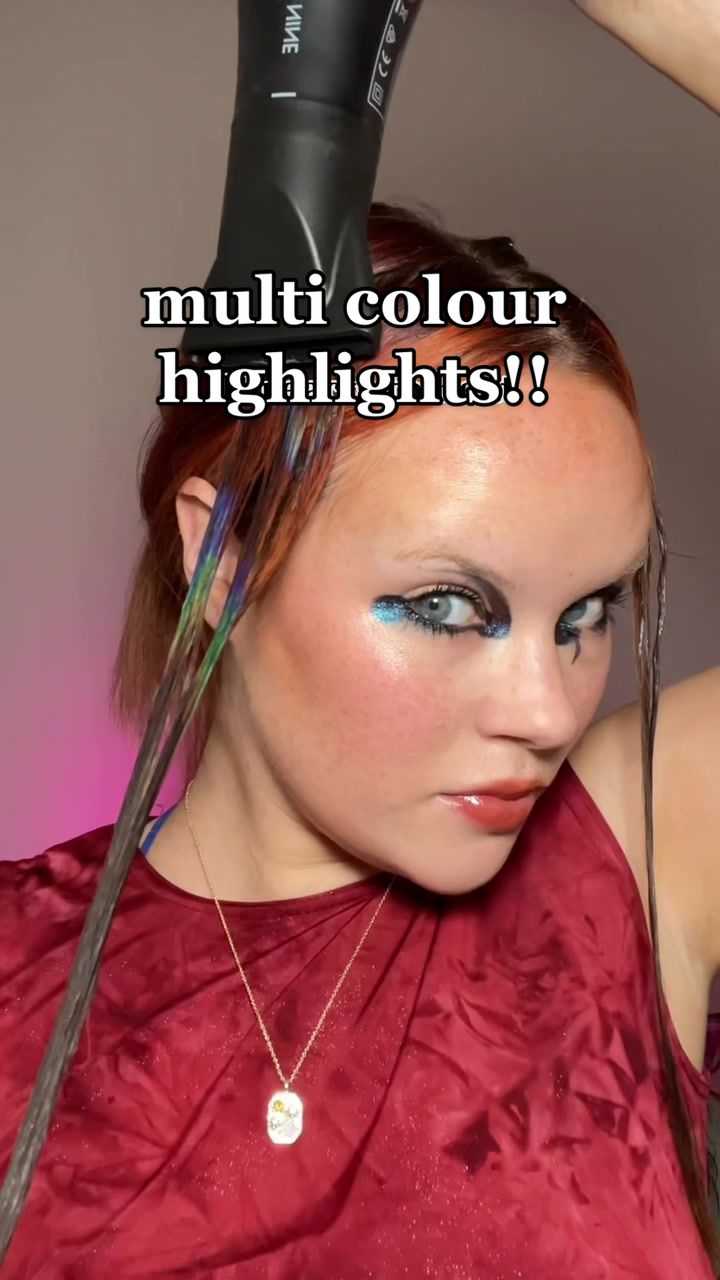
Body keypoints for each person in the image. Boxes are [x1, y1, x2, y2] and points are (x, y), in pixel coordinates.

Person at [1, 2, 719, 1276]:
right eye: (448, 606)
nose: (549, 709)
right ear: (222, 560)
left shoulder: (630, 866)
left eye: (590, 614)